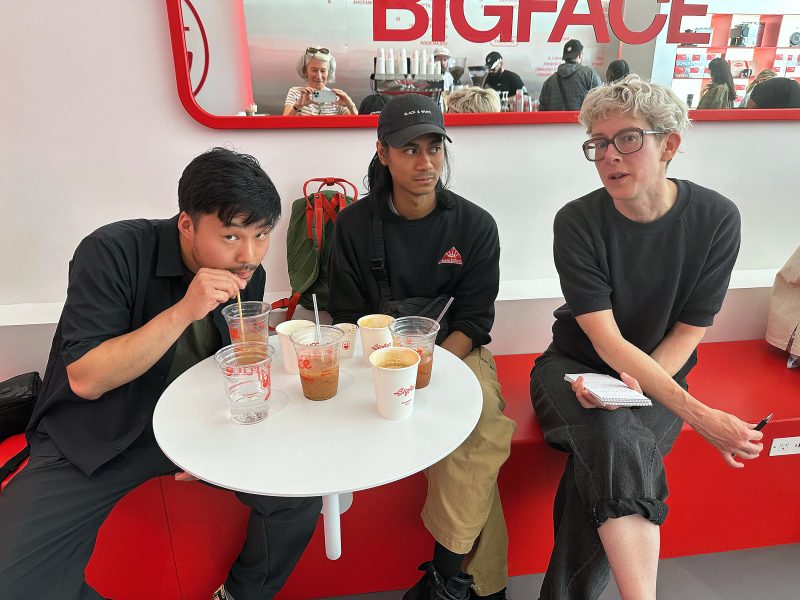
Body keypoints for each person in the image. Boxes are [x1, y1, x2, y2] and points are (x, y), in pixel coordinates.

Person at [0, 148, 322, 600]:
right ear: (187, 224)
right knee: (12, 581)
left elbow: (231, 365)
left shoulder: (248, 271)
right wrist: (185, 310)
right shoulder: (112, 251)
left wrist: (216, 439)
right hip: (92, 435)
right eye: (230, 236)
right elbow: (87, 379)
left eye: (262, 234)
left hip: (192, 429)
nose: (249, 255)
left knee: (300, 496)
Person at [530, 75, 764, 600]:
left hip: (660, 370)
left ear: (669, 145)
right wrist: (702, 417)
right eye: (598, 143)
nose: (610, 155)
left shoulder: (716, 217)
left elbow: (689, 330)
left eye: (628, 138)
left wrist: (634, 391)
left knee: (606, 451)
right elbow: (606, 344)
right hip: (572, 367)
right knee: (612, 440)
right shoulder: (577, 222)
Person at [328, 94, 515, 600]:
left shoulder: (475, 226)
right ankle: (475, 585)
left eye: (434, 147)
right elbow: (345, 318)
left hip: (456, 350)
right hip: (374, 358)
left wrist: (431, 366)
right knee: (472, 452)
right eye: (409, 149)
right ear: (383, 153)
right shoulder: (351, 227)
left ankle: (444, 577)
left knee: (481, 430)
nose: (425, 162)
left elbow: (476, 319)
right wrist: (396, 367)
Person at [283, 46, 357, 115]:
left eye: (323, 71)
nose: (319, 76)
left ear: (329, 72)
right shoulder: (295, 93)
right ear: (305, 71)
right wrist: (297, 106)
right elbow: (283, 124)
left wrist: (351, 106)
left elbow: (356, 124)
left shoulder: (336, 97)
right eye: (314, 70)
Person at [539, 39, 602, 111]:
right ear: (580, 55)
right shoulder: (589, 75)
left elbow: (542, 110)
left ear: (565, 57)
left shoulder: (548, 82)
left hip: (555, 122)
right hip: (580, 122)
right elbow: (600, 104)